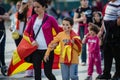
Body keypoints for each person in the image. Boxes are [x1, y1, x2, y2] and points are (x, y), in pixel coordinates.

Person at [24, 0, 60, 80]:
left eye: (38, 7)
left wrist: (56, 43)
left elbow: (59, 34)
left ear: (43, 7)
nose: (36, 9)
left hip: (48, 50)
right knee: (37, 74)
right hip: (36, 50)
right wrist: (32, 40)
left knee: (48, 73)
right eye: (34, 7)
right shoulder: (33, 18)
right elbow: (26, 32)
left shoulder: (51, 19)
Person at [97, 0, 120, 79]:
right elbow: (105, 18)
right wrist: (101, 30)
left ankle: (117, 75)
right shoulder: (109, 3)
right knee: (107, 55)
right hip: (108, 33)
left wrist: (112, 26)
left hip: (115, 34)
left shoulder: (119, 4)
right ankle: (106, 74)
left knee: (117, 56)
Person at [73, 0, 93, 66]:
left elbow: (95, 17)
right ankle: (83, 60)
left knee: (93, 43)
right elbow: (74, 20)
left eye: (86, 0)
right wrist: (81, 19)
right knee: (83, 44)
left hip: (91, 27)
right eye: (83, 0)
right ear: (81, 2)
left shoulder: (91, 8)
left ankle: (93, 59)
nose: (85, 1)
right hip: (82, 28)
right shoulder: (78, 9)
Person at [0, 6, 9, 76]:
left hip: (2, 32)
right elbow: (5, 17)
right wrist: (3, 16)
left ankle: (3, 66)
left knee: (1, 50)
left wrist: (1, 17)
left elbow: (7, 17)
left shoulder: (2, 8)